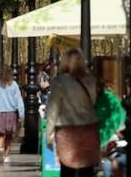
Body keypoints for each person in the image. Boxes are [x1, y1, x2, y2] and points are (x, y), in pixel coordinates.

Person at [46, 48, 100, 177]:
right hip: (88, 128)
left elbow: (53, 109)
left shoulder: (59, 82)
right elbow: (93, 102)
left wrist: (49, 135)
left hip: (67, 130)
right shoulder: (90, 80)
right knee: (87, 168)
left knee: (67, 168)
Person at [0, 62, 24, 164]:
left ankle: (0, 147)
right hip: (11, 113)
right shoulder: (13, 84)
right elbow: (19, 100)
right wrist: (21, 114)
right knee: (9, 136)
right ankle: (6, 156)